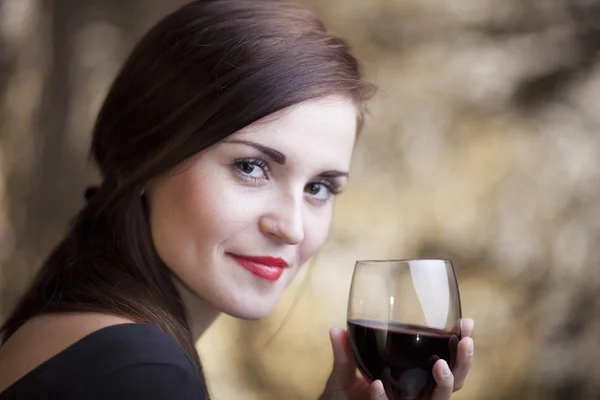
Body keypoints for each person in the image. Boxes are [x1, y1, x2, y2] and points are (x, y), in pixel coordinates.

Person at [0, 1, 474, 399]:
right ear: (144, 157)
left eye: (319, 187)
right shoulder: (140, 375)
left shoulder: (73, 330)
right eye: (251, 166)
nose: (291, 228)